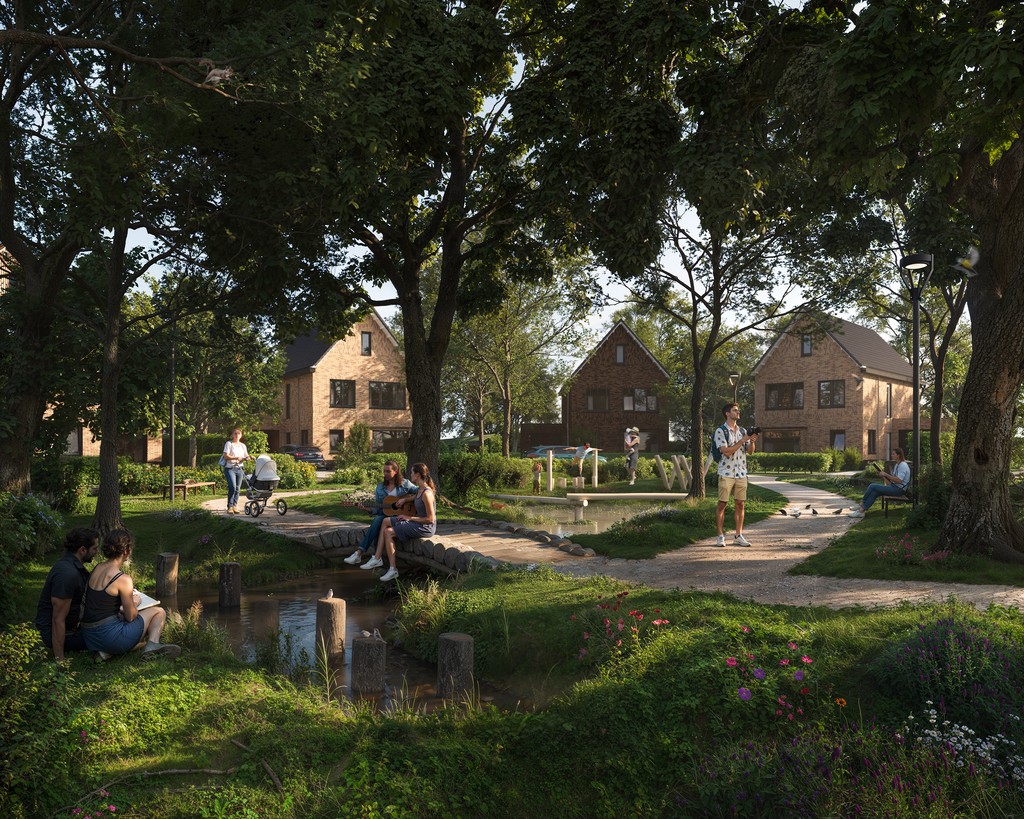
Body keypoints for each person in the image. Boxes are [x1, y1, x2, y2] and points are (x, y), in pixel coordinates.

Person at [80, 529, 180, 660]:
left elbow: (101, 604)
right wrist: (135, 602)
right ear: (126, 550)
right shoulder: (123, 579)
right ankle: (153, 645)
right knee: (158, 612)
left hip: (90, 637)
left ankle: (106, 653)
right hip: (109, 637)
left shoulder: (97, 568)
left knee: (136, 630)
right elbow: (131, 617)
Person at [362, 462, 437, 583]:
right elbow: (413, 498)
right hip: (417, 523)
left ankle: (392, 569)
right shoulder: (420, 490)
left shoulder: (427, 493)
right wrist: (404, 500)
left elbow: (430, 519)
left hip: (424, 527)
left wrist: (409, 518)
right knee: (385, 521)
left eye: (412, 472)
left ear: (417, 475)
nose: (410, 475)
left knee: (388, 532)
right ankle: (377, 558)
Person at [33, 527, 100, 662]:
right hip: (59, 633)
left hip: (72, 627)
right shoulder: (67, 574)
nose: (96, 552)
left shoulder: (72, 565)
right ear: (82, 550)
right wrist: (60, 661)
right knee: (110, 635)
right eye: (94, 548)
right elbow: (57, 619)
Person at [343, 460, 417, 566]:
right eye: (384, 471)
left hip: (403, 517)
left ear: (396, 471)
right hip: (388, 517)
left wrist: (406, 500)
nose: (385, 474)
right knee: (379, 518)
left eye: (388, 471)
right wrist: (366, 508)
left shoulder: (405, 484)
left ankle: (362, 554)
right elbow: (379, 509)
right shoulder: (380, 488)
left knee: (378, 520)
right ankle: (364, 555)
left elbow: (422, 492)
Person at [714, 403, 758, 548]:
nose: (738, 412)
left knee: (740, 504)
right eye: (735, 410)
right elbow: (726, 451)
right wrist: (743, 440)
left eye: (738, 410)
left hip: (741, 473)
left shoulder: (742, 431)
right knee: (722, 504)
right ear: (727, 413)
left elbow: (750, 452)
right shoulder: (721, 431)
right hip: (726, 472)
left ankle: (738, 535)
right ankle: (720, 536)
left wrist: (751, 442)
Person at [848, 448, 911, 517]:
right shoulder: (897, 465)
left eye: (893, 454)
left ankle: (861, 504)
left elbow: (899, 480)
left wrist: (885, 474)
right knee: (875, 492)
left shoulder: (903, 465)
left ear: (898, 455)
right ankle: (861, 511)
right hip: (894, 487)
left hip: (899, 490)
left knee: (872, 486)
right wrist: (883, 476)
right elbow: (889, 483)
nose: (891, 455)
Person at [221, 427, 251, 514]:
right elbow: (226, 456)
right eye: (235, 433)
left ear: (241, 435)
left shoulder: (243, 446)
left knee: (237, 488)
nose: (237, 435)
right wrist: (235, 458)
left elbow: (246, 456)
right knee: (233, 487)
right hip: (230, 468)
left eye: (239, 433)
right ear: (232, 435)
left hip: (239, 468)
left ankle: (235, 506)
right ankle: (229, 506)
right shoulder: (229, 444)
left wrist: (249, 458)